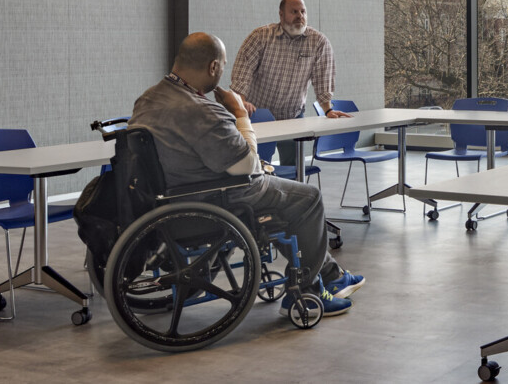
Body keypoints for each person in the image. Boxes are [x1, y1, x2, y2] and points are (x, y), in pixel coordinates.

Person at [129, 32, 365, 317]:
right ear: (213, 67)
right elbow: (248, 165)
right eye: (224, 65)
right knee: (308, 198)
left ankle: (330, 274)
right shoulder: (200, 111)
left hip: (171, 198)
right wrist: (240, 114)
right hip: (214, 198)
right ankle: (306, 291)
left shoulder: (147, 99)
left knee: (280, 205)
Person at [231, 0, 351, 167]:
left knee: (294, 168)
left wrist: (328, 110)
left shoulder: (318, 42)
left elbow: (323, 78)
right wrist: (242, 102)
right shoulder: (260, 36)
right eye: (294, 12)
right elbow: (242, 72)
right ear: (281, 15)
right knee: (257, 167)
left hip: (293, 115)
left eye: (303, 11)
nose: (300, 16)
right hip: (259, 115)